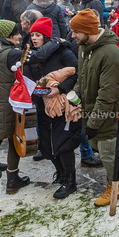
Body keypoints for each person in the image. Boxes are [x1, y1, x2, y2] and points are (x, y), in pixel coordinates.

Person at [69, 9, 119, 206]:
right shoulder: (84, 48)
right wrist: (76, 93)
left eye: (76, 32)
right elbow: (82, 77)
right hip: (93, 110)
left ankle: (113, 189)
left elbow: (108, 95)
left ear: (88, 31)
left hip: (110, 114)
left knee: (107, 154)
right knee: (99, 147)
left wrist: (94, 123)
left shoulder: (111, 54)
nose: (72, 36)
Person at [0, 20, 36, 193]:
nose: (19, 36)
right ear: (7, 36)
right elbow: (36, 57)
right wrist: (56, 43)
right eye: (16, 34)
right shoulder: (10, 54)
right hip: (8, 104)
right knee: (13, 139)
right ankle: (12, 180)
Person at [24, 17, 81, 199]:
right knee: (46, 146)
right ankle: (61, 173)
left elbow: (78, 72)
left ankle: (70, 182)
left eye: (38, 35)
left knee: (63, 143)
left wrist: (60, 88)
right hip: (41, 105)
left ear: (47, 36)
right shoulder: (31, 55)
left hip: (62, 105)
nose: (34, 38)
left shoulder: (62, 51)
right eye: (32, 35)